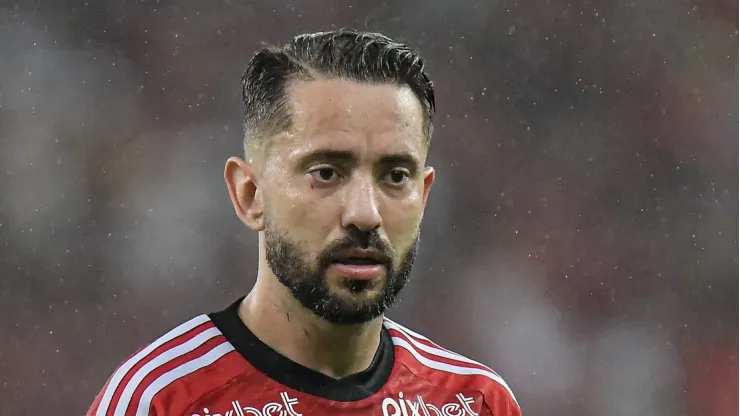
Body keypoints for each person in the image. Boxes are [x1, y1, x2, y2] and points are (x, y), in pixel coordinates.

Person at [86, 28, 521, 416]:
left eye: (395, 176)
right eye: (326, 173)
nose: (365, 213)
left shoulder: (475, 402)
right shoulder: (160, 401)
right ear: (250, 194)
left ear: (423, 197)